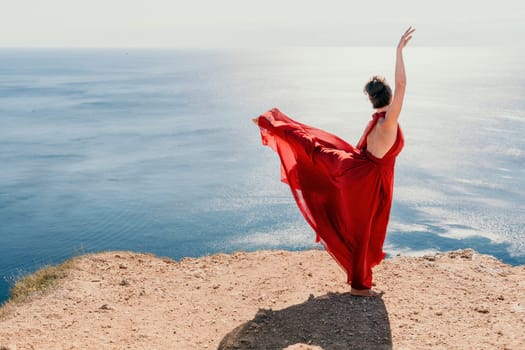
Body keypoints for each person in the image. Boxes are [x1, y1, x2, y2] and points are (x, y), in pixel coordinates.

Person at [253, 27, 415, 297]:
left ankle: (270, 122)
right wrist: (398, 52)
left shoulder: (375, 122)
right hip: (367, 179)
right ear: (388, 96)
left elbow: (366, 149)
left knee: (315, 148)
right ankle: (359, 287)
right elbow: (402, 85)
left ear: (371, 99)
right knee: (364, 229)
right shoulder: (388, 123)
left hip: (353, 167)